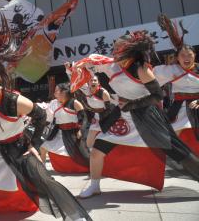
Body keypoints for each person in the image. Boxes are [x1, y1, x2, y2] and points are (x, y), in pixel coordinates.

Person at [0, 58, 91, 221]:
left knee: (43, 179)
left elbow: (41, 116)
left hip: (18, 146)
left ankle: (75, 216)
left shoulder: (14, 100)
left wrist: (34, 144)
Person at [74, 30, 199, 199]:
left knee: (176, 151)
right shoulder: (109, 64)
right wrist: (74, 69)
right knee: (97, 150)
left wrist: (132, 104)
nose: (114, 49)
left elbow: (157, 95)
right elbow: (87, 64)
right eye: (114, 46)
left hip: (147, 115)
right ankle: (95, 185)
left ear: (128, 49)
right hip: (123, 116)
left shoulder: (141, 69)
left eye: (118, 47)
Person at [154, 14, 199, 155]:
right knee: (171, 135)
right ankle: (182, 161)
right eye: (183, 55)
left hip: (197, 104)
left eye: (189, 55)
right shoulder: (171, 70)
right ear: (177, 57)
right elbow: (151, 78)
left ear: (194, 56)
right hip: (178, 106)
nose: (186, 58)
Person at [39, 83, 89, 173]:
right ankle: (43, 170)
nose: (54, 94)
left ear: (63, 92)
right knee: (43, 146)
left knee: (82, 155)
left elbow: (83, 119)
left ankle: (92, 167)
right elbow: (47, 113)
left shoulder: (75, 103)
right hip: (59, 133)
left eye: (56, 91)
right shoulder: (54, 103)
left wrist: (80, 131)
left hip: (73, 133)